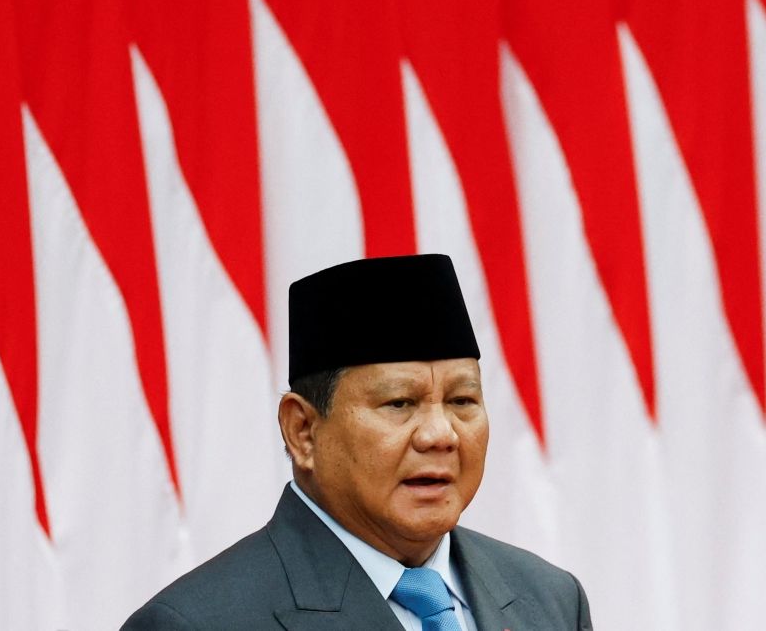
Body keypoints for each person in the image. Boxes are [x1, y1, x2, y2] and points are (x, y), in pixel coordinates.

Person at [122, 254, 593, 630]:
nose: (440, 434)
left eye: (462, 400)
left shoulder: (550, 600)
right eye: (399, 404)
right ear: (302, 431)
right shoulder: (198, 623)